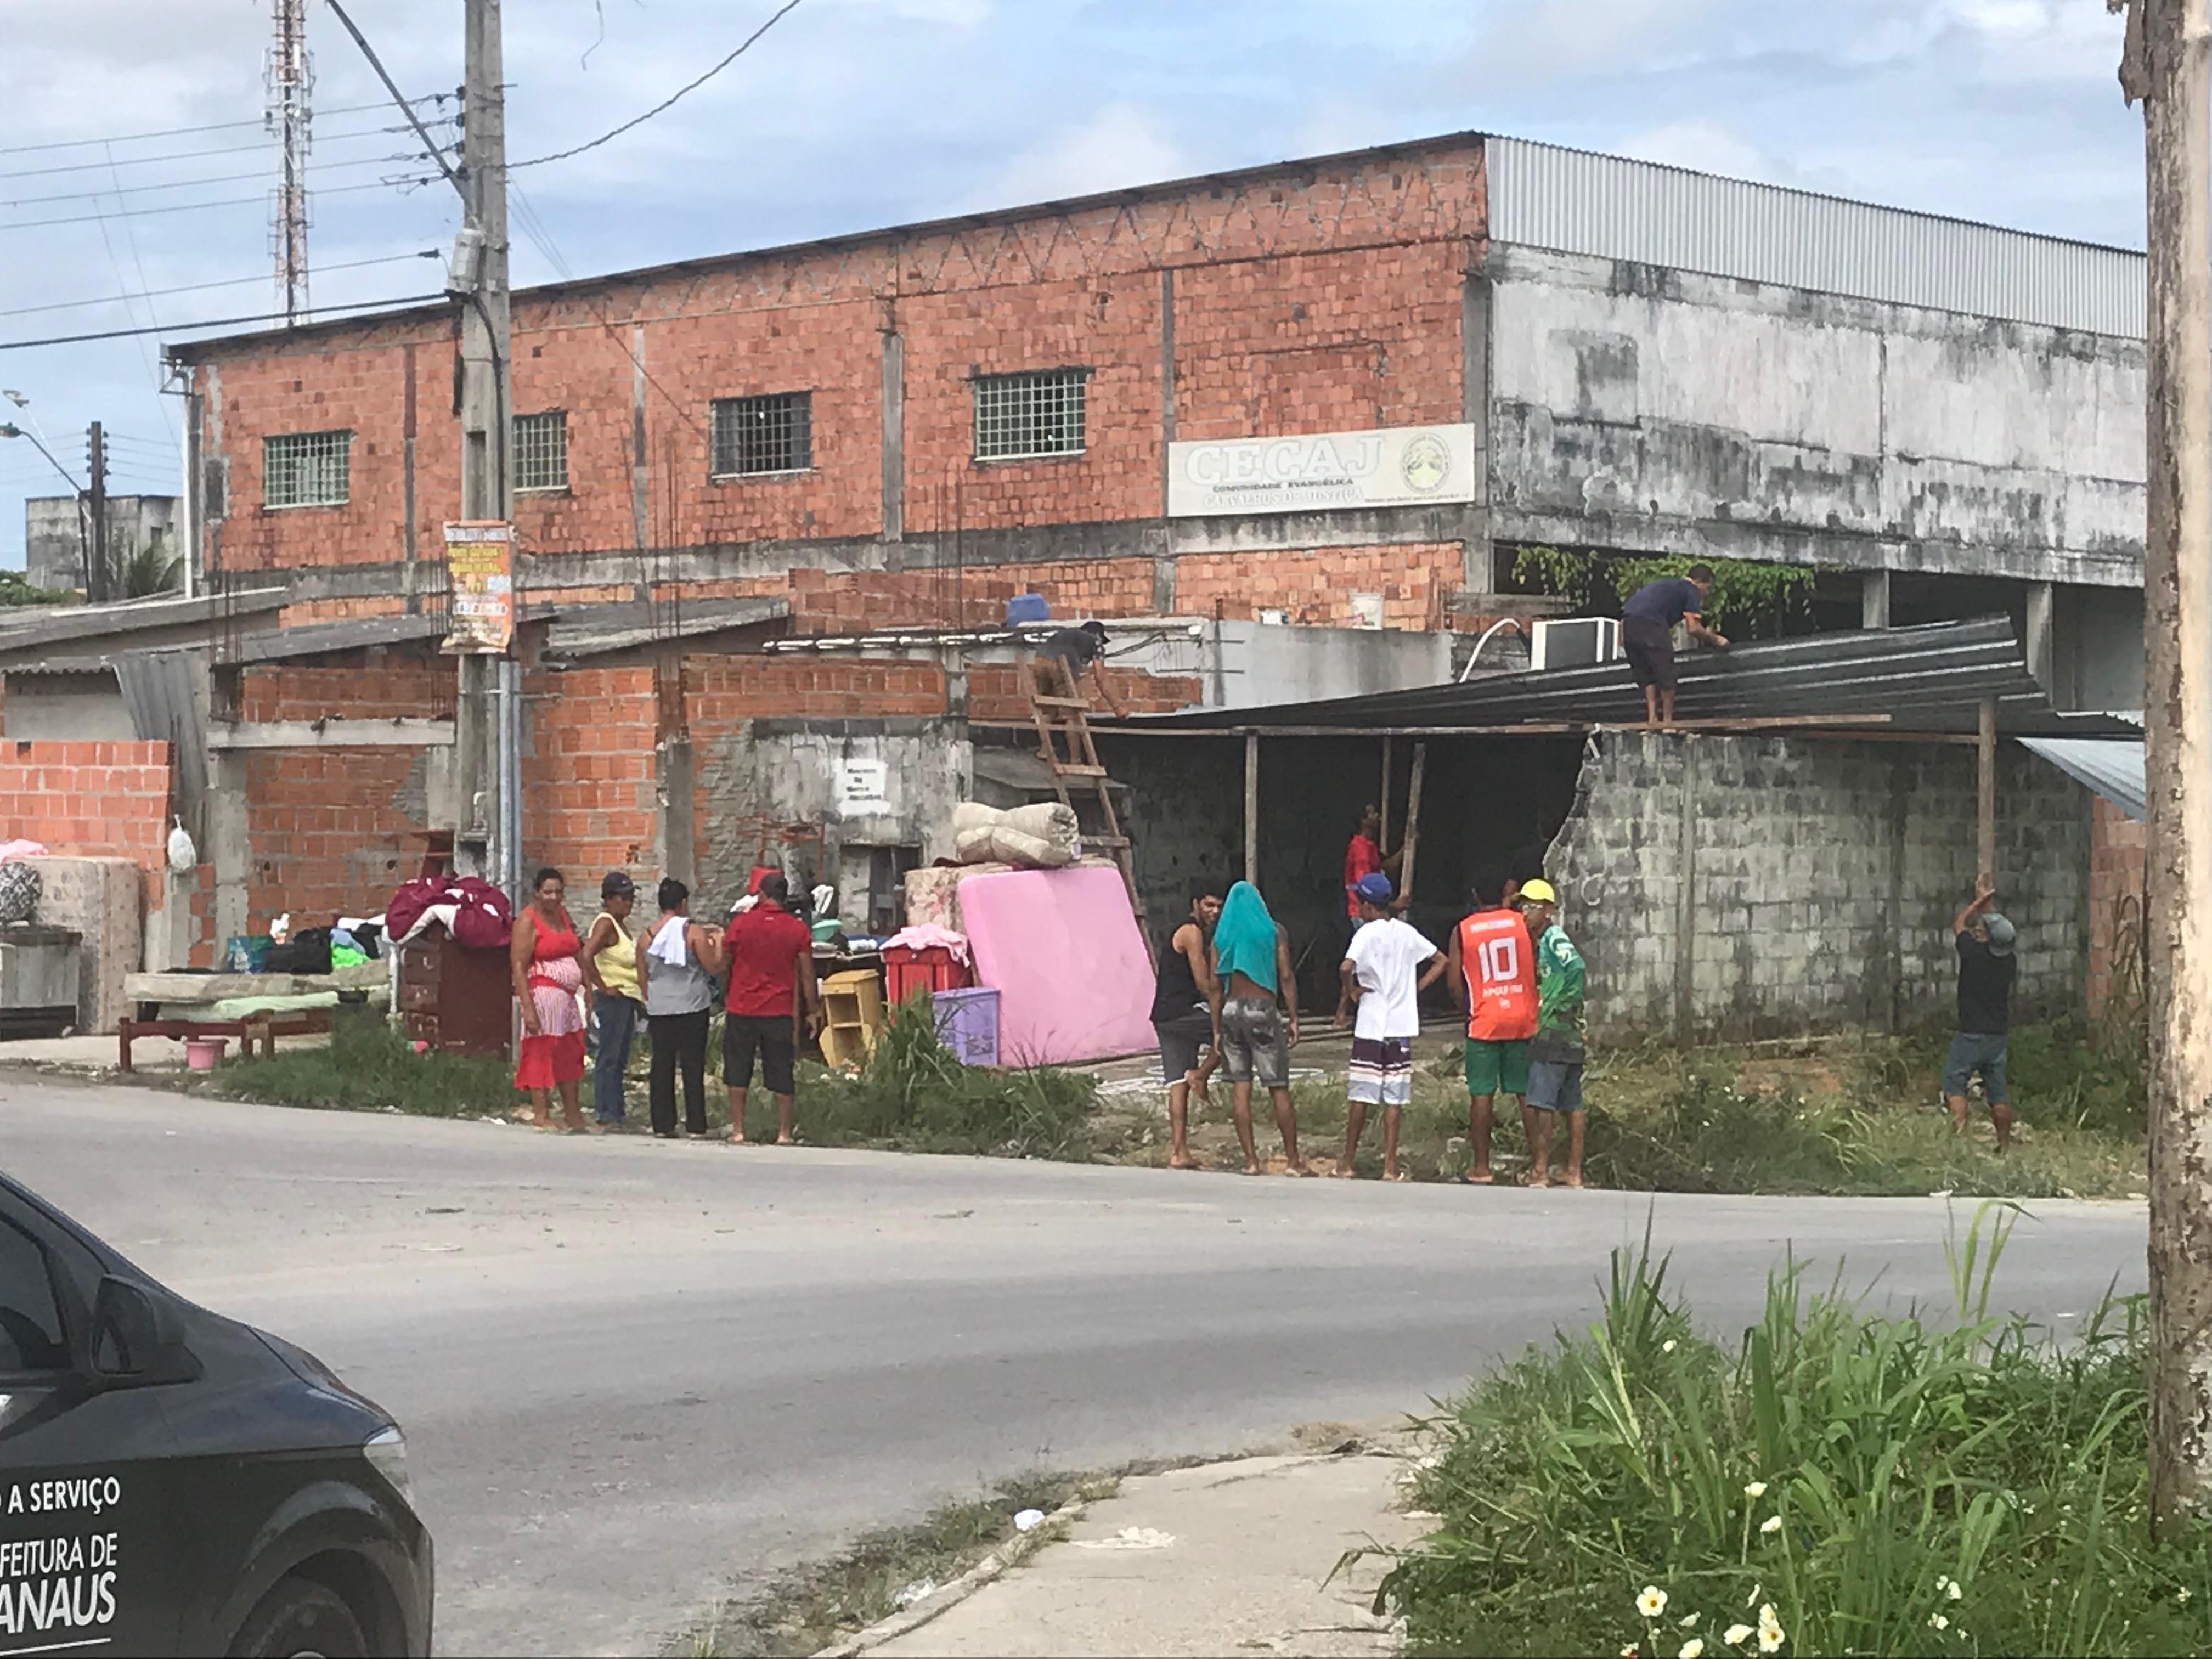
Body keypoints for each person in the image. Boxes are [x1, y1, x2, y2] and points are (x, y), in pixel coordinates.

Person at [1334, 872, 1446, 1181]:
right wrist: (1416, 988)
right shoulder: (1407, 933)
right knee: (1394, 1097)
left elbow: (1346, 966)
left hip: (1371, 1023)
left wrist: (1353, 989)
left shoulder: (1365, 934)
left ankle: (1347, 1162)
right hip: (1401, 1025)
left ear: (1367, 905)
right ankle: (1390, 1167)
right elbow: (1441, 960)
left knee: (1361, 1093)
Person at [1209, 880, 1309, 1176]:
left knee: (1241, 1086)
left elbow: (1215, 987)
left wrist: (1216, 1029)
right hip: (1262, 1009)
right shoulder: (1273, 931)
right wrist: (1293, 1017)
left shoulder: (1221, 937)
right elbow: (1286, 975)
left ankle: (1251, 1161)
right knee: (1278, 1086)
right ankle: (1293, 1161)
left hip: (1231, 1010)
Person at [1447, 872, 1539, 1184]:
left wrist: (1468, 1009)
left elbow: (1454, 982)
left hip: (1484, 1020)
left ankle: (1482, 1168)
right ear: (1504, 890)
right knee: (1525, 1093)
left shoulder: (1463, 929)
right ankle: (1539, 1167)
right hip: (1522, 1017)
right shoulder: (1521, 923)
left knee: (1482, 1094)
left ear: (1474, 893)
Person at [720, 871, 824, 1146]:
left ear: (763, 895)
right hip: (778, 1010)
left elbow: (725, 964)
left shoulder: (741, 924)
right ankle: (784, 1133)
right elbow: (806, 974)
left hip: (742, 1006)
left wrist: (724, 993)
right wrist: (813, 1010)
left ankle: (739, 1130)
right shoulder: (797, 929)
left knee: (737, 1068)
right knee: (781, 1069)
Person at [636, 877, 720, 1139]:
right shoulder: (692, 932)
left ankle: (662, 1123)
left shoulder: (646, 936)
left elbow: (642, 976)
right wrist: (718, 943)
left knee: (662, 1064)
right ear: (683, 903)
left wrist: (653, 997)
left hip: (660, 1006)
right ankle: (696, 1123)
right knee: (693, 1065)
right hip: (692, 1004)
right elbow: (714, 966)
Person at [1519, 879, 1588, 1189]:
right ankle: (1573, 1171)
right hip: (1569, 1030)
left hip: (1554, 1030)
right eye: (1524, 906)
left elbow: (1576, 967)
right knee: (1571, 1102)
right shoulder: (1540, 940)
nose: (1526, 913)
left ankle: (1540, 1170)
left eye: (1533, 907)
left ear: (1548, 911)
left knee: (1542, 1102)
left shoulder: (1553, 936)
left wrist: (1557, 1004)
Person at [1150, 882, 1224, 1170]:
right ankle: (1202, 1074)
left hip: (1164, 1016)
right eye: (1209, 906)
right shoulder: (1192, 932)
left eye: (1219, 907)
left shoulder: (1187, 931)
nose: (1214, 912)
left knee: (1176, 1084)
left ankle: (1179, 1152)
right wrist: (1220, 997)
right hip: (1183, 1012)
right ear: (1195, 904)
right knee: (1231, 1034)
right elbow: (1203, 983)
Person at [511, 867, 589, 1132]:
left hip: (567, 997)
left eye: (558, 892)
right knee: (541, 1050)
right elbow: (519, 966)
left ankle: (572, 1113)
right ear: (536, 893)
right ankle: (541, 1113)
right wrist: (528, 1008)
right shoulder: (528, 921)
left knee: (570, 1051)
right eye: (548, 892)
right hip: (544, 993)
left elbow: (577, 952)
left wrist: (588, 986)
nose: (554, 897)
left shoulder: (562, 916)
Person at [1945, 875, 2018, 1151]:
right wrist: (1989, 904)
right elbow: (1997, 932)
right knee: (1998, 1095)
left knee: (1954, 1086)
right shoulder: (2009, 962)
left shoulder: (1972, 954)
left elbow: (1958, 924)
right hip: (1997, 1036)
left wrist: (1977, 902)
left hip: (1970, 1034)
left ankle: (1961, 1144)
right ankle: (2004, 1146)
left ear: (1985, 937)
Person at [1620, 562, 1729, 726]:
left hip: (1629, 625)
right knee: (1666, 672)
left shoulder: (1668, 585)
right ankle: (1668, 722)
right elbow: (1693, 629)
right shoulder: (1690, 589)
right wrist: (1716, 639)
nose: (1706, 594)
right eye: (1707, 588)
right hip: (1651, 624)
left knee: (1647, 674)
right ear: (1699, 582)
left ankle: (1652, 720)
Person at [580, 871, 644, 1128]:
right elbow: (586, 955)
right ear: (608, 899)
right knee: (608, 1057)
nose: (627, 903)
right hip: (613, 999)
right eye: (622, 898)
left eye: (630, 898)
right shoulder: (606, 923)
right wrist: (602, 987)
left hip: (628, 999)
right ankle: (605, 1113)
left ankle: (616, 1112)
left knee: (619, 1058)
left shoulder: (621, 925)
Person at [1029, 618, 1128, 736]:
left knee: (1047, 709)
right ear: (1099, 636)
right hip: (1062, 665)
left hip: (1039, 663)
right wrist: (1117, 706)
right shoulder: (1096, 642)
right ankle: (1075, 754)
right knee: (1072, 714)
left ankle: (1045, 751)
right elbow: (1101, 677)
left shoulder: (1064, 634)